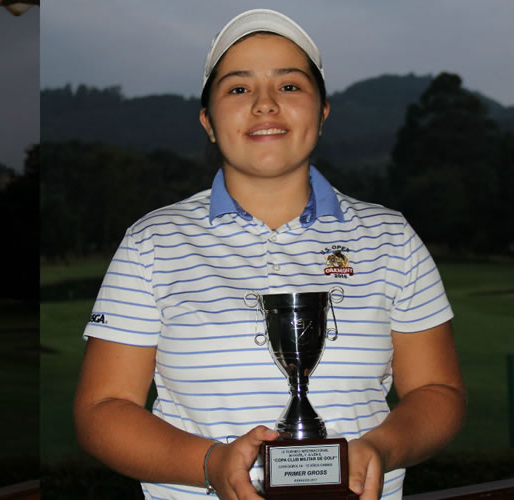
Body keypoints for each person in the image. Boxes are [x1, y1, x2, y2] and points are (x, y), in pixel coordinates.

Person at [73, 9, 465, 500]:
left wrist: (382, 448)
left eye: (290, 86)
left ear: (322, 113)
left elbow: (438, 392)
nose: (264, 104)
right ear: (208, 122)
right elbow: (102, 409)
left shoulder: (390, 236)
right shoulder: (152, 241)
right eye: (238, 89)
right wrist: (209, 463)